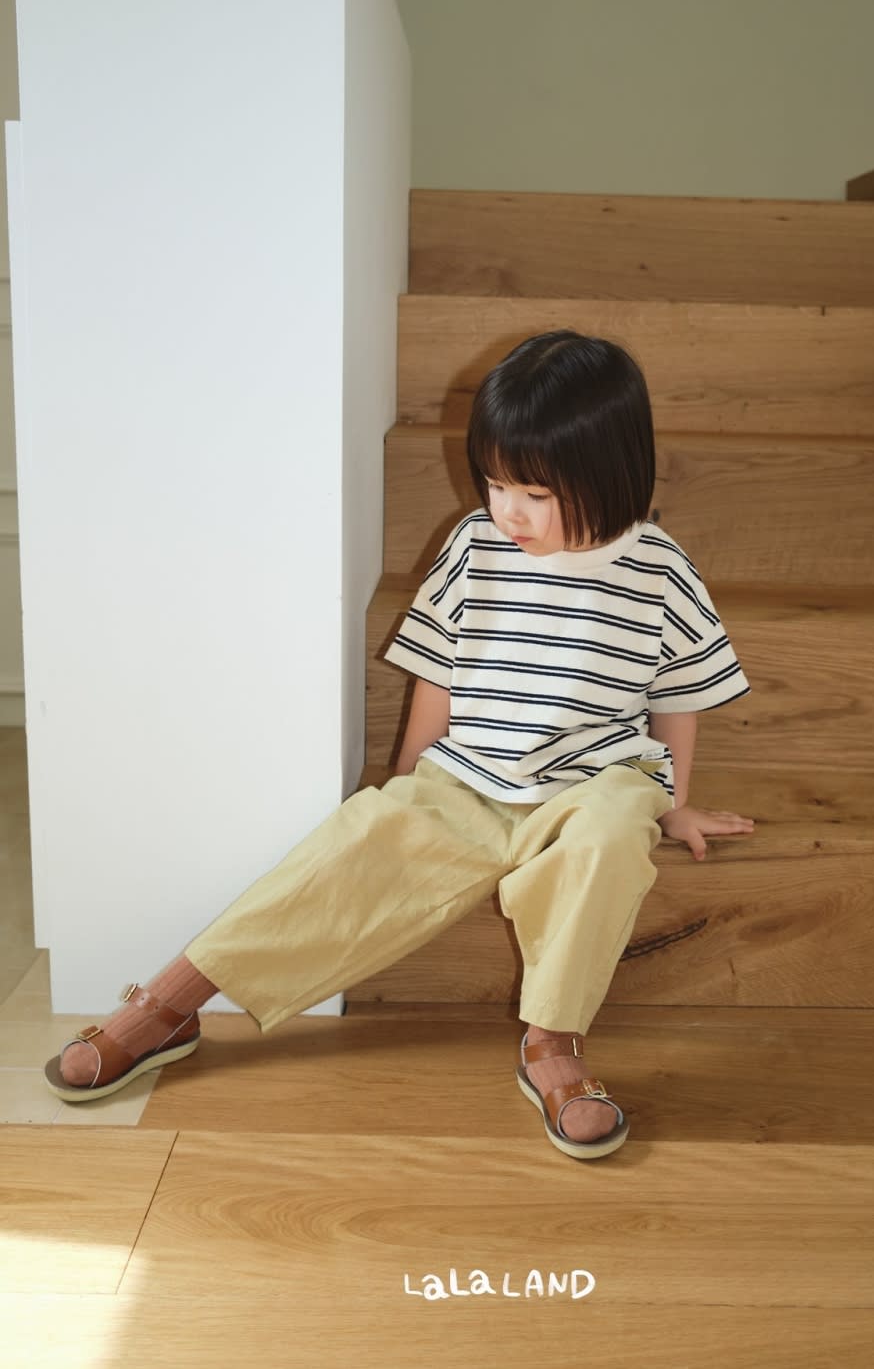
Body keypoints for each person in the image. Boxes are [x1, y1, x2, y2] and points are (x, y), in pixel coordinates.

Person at [43, 330, 754, 1160]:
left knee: (605, 839)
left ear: (609, 473)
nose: (508, 511)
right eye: (495, 484)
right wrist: (407, 778)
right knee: (361, 841)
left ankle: (552, 1043)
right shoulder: (474, 546)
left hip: (596, 781)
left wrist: (670, 804)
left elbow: (678, 699)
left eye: (533, 492)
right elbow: (436, 670)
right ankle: (170, 1003)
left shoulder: (659, 569)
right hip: (471, 777)